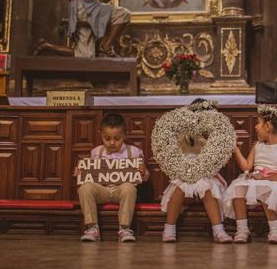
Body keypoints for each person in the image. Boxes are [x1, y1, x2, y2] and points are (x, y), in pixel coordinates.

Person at [224, 105, 277, 244]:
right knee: (237, 187)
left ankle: (276, 230)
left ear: (268, 126)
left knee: (265, 188)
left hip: (275, 182)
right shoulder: (258, 145)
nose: (255, 127)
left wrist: (265, 177)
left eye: (258, 123)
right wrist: (235, 149)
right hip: (255, 179)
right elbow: (247, 166)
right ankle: (242, 230)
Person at [160, 99, 233, 243]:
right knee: (179, 189)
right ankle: (169, 229)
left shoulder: (214, 136)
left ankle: (218, 230)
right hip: (184, 172)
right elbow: (175, 155)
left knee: (207, 189)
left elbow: (217, 159)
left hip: (206, 174)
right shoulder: (184, 135)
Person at [77, 113, 149, 242]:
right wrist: (82, 173)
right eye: (107, 138)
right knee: (85, 188)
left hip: (120, 190)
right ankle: (92, 228)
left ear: (124, 135)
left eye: (117, 138)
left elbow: (143, 178)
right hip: (102, 190)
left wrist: (143, 172)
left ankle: (124, 229)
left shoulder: (134, 152)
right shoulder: (96, 152)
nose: (112, 142)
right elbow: (91, 175)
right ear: (100, 134)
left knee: (129, 188)